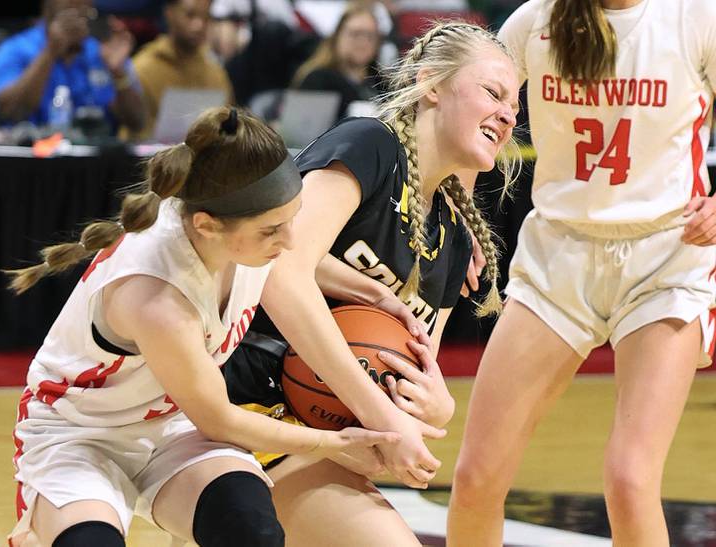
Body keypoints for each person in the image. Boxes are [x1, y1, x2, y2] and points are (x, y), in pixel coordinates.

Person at [5, 107, 401, 547]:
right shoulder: (155, 294)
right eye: (273, 230)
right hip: (81, 437)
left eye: (293, 219)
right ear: (206, 227)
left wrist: (374, 293)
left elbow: (300, 258)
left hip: (174, 425)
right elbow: (219, 420)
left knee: (251, 529)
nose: (289, 240)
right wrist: (333, 443)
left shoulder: (240, 230)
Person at [220, 20, 521, 545]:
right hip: (242, 396)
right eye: (493, 93)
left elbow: (419, 357)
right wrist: (380, 412)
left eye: (514, 106)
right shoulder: (370, 146)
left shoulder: (451, 237)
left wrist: (434, 405)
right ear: (431, 84)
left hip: (328, 433)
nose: (508, 114)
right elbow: (279, 272)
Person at [447, 1, 716, 546]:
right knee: (476, 478)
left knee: (629, 479)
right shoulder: (532, 22)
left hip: (666, 253)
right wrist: (461, 211)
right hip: (559, 253)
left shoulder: (695, 17)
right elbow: (470, 117)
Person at [0, 0, 144, 133]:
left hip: (95, 161)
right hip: (32, 160)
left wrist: (118, 73)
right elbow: (9, 110)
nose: (76, 3)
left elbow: (137, 122)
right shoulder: (16, 49)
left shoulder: (103, 51)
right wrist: (50, 52)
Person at [126, 0, 233, 140]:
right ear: (168, 13)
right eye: (190, 15)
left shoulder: (216, 71)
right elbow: (134, 130)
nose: (199, 25)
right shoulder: (142, 68)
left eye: (206, 17)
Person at [291, 2, 383, 120]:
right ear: (337, 37)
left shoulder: (382, 83)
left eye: (370, 36)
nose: (363, 42)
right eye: (356, 34)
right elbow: (301, 131)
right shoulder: (318, 80)